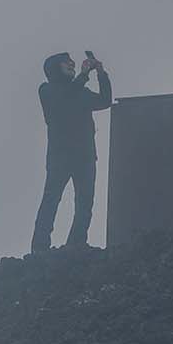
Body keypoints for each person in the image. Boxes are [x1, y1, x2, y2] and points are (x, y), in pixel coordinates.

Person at [32, 51, 113, 253]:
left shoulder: (80, 92)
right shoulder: (47, 90)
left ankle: (76, 244)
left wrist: (101, 74)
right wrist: (85, 75)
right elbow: (64, 99)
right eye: (65, 62)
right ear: (53, 68)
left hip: (85, 156)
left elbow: (105, 101)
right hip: (60, 157)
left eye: (71, 62)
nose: (71, 64)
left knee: (85, 203)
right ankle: (40, 248)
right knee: (52, 200)